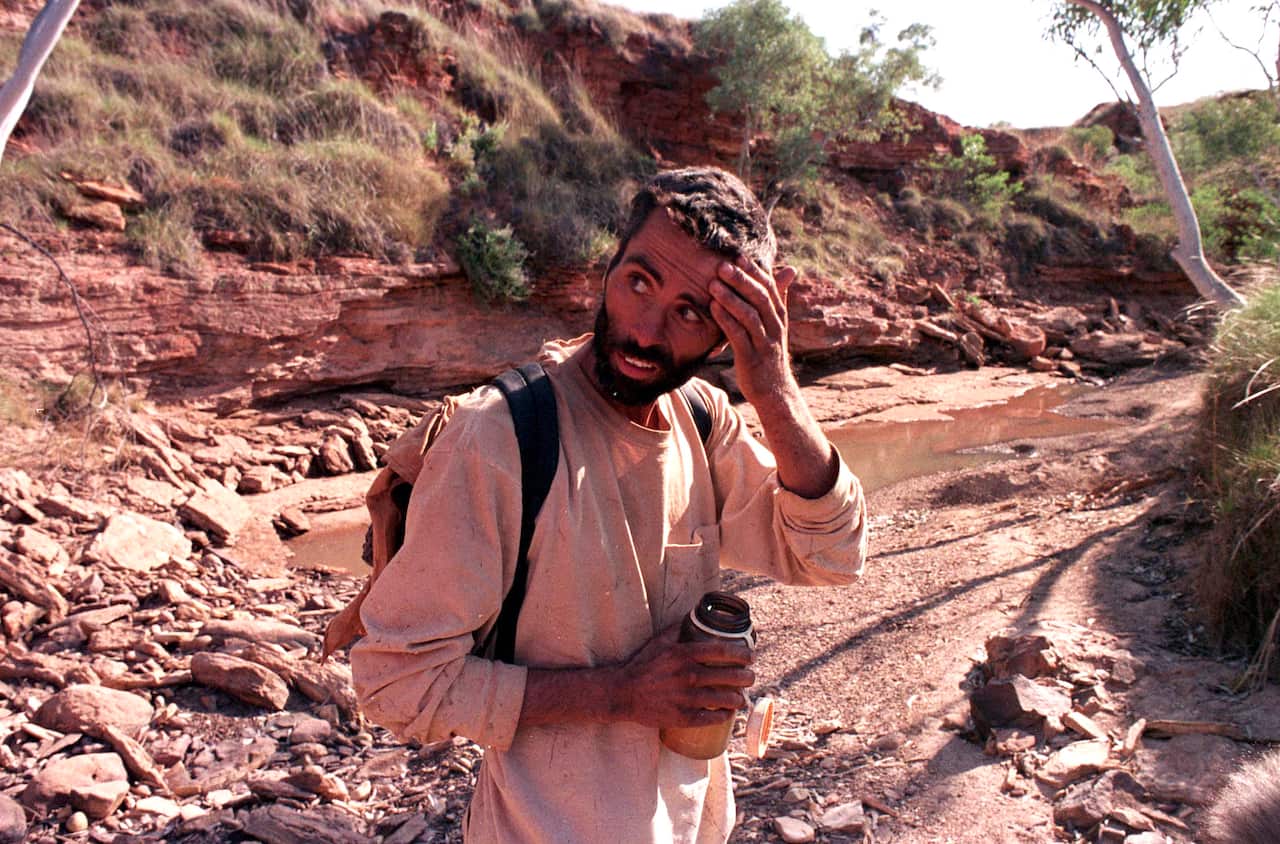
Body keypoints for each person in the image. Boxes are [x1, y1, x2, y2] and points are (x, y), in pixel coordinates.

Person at [350, 167, 869, 843]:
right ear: (608, 268)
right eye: (639, 283)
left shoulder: (701, 419)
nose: (647, 332)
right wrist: (622, 692)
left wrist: (773, 387)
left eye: (690, 312)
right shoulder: (499, 437)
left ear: (726, 334)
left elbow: (831, 556)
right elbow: (394, 683)